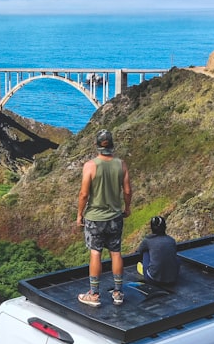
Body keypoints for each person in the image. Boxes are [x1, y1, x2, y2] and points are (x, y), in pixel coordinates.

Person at [76, 129, 132, 307]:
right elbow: (128, 190)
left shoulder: (90, 166)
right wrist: (127, 208)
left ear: (97, 145)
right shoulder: (121, 164)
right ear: (112, 144)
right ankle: (118, 292)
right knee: (115, 252)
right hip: (115, 216)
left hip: (95, 218)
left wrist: (79, 215)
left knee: (95, 253)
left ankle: (93, 294)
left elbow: (84, 194)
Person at [135, 216, 178, 284]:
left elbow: (138, 252)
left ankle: (145, 270)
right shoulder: (171, 240)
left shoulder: (148, 240)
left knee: (145, 251)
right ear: (165, 227)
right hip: (173, 279)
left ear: (152, 228)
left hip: (153, 279)